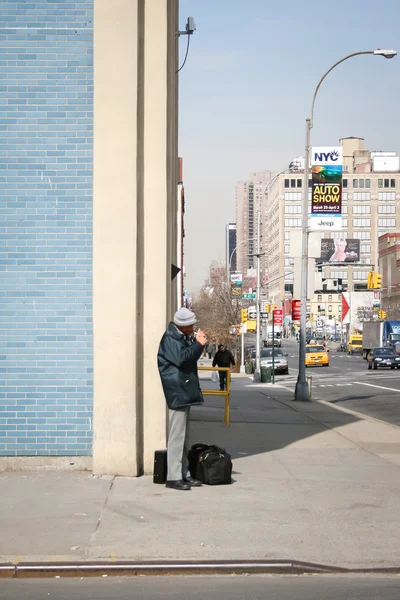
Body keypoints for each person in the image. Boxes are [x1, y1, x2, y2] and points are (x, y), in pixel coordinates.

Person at [158, 307, 207, 491]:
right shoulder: (171, 338)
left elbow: (188, 357)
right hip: (177, 391)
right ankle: (173, 477)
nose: (194, 327)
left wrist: (195, 343)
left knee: (184, 436)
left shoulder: (180, 337)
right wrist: (199, 344)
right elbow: (183, 359)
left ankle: (183, 474)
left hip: (183, 390)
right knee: (177, 437)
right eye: (191, 325)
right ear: (183, 326)